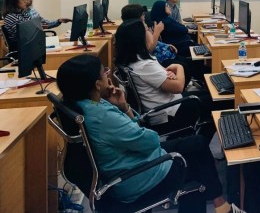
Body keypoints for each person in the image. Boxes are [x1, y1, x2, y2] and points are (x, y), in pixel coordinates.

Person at [55, 55, 244, 213]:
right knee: (196, 171)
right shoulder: (102, 116)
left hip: (131, 162)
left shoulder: (86, 104)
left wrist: (123, 107)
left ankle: (221, 205)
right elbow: (150, 140)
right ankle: (222, 206)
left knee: (198, 144)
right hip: (137, 176)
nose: (108, 74)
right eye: (104, 72)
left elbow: (135, 133)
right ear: (97, 84)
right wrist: (132, 120)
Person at [114, 19, 213, 137]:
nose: (151, 32)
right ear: (139, 38)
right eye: (147, 30)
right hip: (168, 111)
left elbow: (165, 74)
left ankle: (193, 139)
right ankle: (197, 142)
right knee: (218, 102)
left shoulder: (134, 61)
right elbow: (178, 87)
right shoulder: (144, 65)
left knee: (209, 94)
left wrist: (170, 74)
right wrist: (179, 67)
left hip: (169, 103)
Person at [121, 3, 208, 84]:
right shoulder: (137, 31)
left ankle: (202, 79)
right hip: (161, 59)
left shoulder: (142, 26)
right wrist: (157, 32)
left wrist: (166, 45)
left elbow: (154, 42)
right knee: (188, 64)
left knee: (191, 62)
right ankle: (203, 80)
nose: (144, 16)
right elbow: (149, 49)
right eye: (142, 14)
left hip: (165, 53)